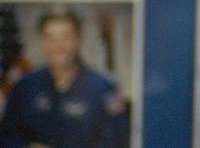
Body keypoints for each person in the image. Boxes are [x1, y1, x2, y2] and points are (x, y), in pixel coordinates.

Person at [0, 11, 128, 148]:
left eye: (66, 38)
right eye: (51, 39)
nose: (59, 46)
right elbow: (7, 137)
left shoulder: (104, 89)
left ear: (79, 39)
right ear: (43, 41)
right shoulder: (25, 86)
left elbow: (117, 142)